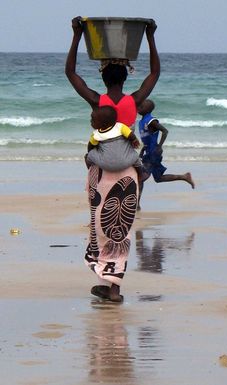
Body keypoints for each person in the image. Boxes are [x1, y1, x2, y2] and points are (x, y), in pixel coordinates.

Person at [65, 16, 160, 302]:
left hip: (101, 175)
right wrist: (150, 37)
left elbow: (70, 73)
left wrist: (77, 35)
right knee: (121, 229)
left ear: (104, 78)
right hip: (129, 173)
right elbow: (155, 73)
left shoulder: (98, 102)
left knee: (100, 225)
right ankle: (113, 287)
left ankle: (106, 280)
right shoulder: (134, 102)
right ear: (126, 77)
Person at [137, 99, 195, 210]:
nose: (139, 107)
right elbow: (146, 139)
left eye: (142, 106)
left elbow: (165, 131)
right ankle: (184, 177)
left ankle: (137, 205)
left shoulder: (151, 121)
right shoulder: (142, 121)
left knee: (140, 178)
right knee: (158, 178)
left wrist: (159, 146)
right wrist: (142, 151)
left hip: (153, 153)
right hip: (148, 152)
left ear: (148, 109)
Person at [85, 105, 143, 181]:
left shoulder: (96, 134)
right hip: (127, 162)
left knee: (88, 156)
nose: (90, 121)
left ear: (102, 123)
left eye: (93, 120)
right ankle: (140, 174)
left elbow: (90, 146)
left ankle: (92, 171)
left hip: (106, 165)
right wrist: (134, 140)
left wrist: (91, 153)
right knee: (135, 156)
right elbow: (130, 134)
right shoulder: (120, 126)